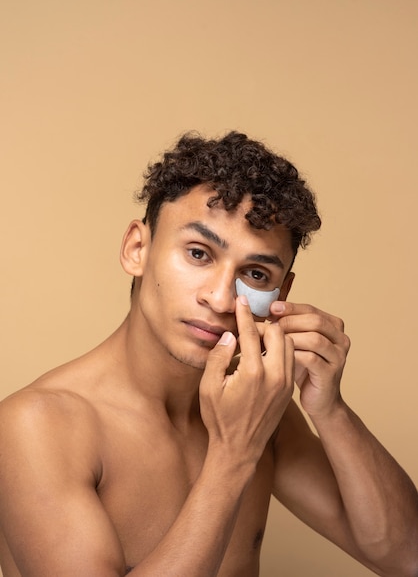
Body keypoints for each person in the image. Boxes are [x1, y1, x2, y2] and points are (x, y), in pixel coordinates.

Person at [0, 131, 417, 577]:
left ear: (281, 292)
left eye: (255, 273)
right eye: (198, 253)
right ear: (137, 249)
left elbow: (406, 556)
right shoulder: (39, 426)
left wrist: (329, 409)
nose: (220, 299)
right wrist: (234, 455)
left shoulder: (255, 406)